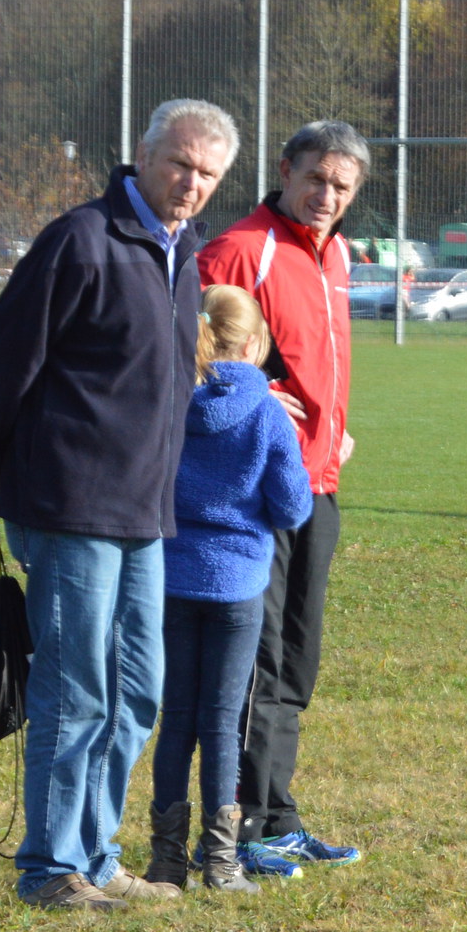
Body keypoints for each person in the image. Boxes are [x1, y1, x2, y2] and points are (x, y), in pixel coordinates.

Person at [0, 96, 238, 910]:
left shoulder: (182, 256)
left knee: (137, 691)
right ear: (144, 156)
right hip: (70, 505)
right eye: (179, 163)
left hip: (145, 515)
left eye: (208, 173)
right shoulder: (80, 240)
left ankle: (95, 852)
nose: (191, 183)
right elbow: (5, 357)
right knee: (76, 689)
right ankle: (51, 869)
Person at [197, 120, 369, 881]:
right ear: (286, 170)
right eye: (317, 178)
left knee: (297, 659)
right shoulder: (243, 247)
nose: (327, 195)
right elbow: (179, 343)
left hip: (317, 484)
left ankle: (279, 817)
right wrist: (252, 392)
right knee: (258, 661)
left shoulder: (336, 255)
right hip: (253, 490)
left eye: (342, 186)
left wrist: (335, 432)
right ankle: (243, 826)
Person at [146, 283, 314, 894]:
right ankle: (220, 862)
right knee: (222, 721)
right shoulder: (266, 411)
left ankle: (166, 861)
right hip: (238, 583)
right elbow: (292, 507)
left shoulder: (166, 400)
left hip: (172, 575)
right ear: (252, 344)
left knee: (176, 718)